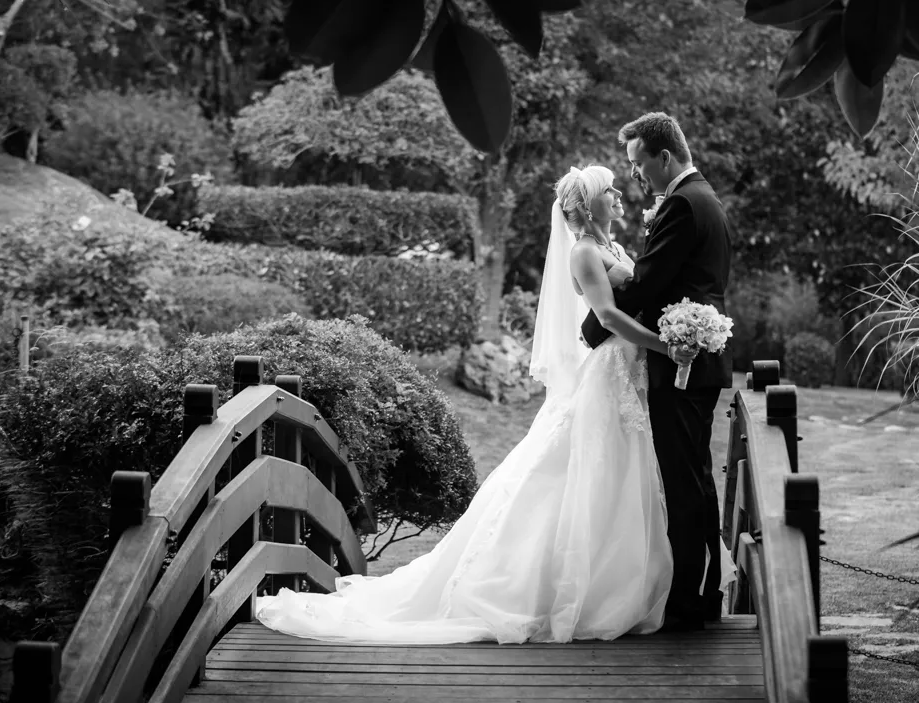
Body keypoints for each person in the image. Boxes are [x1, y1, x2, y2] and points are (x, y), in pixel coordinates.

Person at [255, 164, 732, 645]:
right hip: (610, 371)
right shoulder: (585, 253)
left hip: (629, 371)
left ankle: (630, 581)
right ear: (589, 206)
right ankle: (552, 587)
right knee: (584, 470)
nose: (619, 194)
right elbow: (606, 315)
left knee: (622, 476)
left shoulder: (613, 248)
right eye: (610, 190)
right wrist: (664, 345)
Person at [580, 112, 734, 631]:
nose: (635, 176)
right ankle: (702, 593)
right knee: (694, 480)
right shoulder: (704, 198)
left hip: (684, 362)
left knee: (685, 481)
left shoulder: (684, 206)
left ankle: (690, 603)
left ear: (663, 156)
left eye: (638, 163)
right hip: (697, 355)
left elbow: (646, 284)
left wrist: (595, 325)